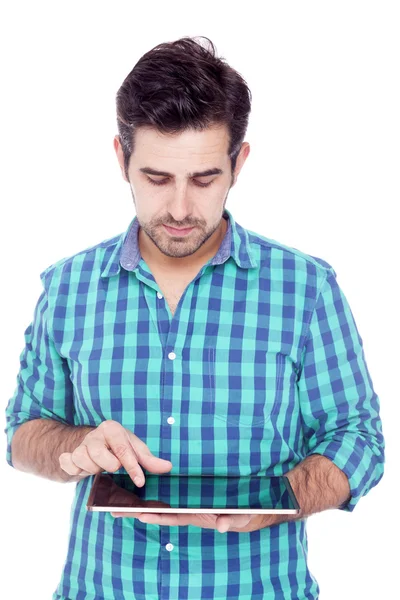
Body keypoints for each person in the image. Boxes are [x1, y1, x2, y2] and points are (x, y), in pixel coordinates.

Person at [4, 36, 385, 600]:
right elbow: (21, 434)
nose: (180, 209)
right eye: (157, 179)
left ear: (239, 163)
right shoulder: (67, 288)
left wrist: (282, 500)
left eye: (204, 179)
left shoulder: (306, 289)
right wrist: (79, 444)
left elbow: (359, 438)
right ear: (120, 159)